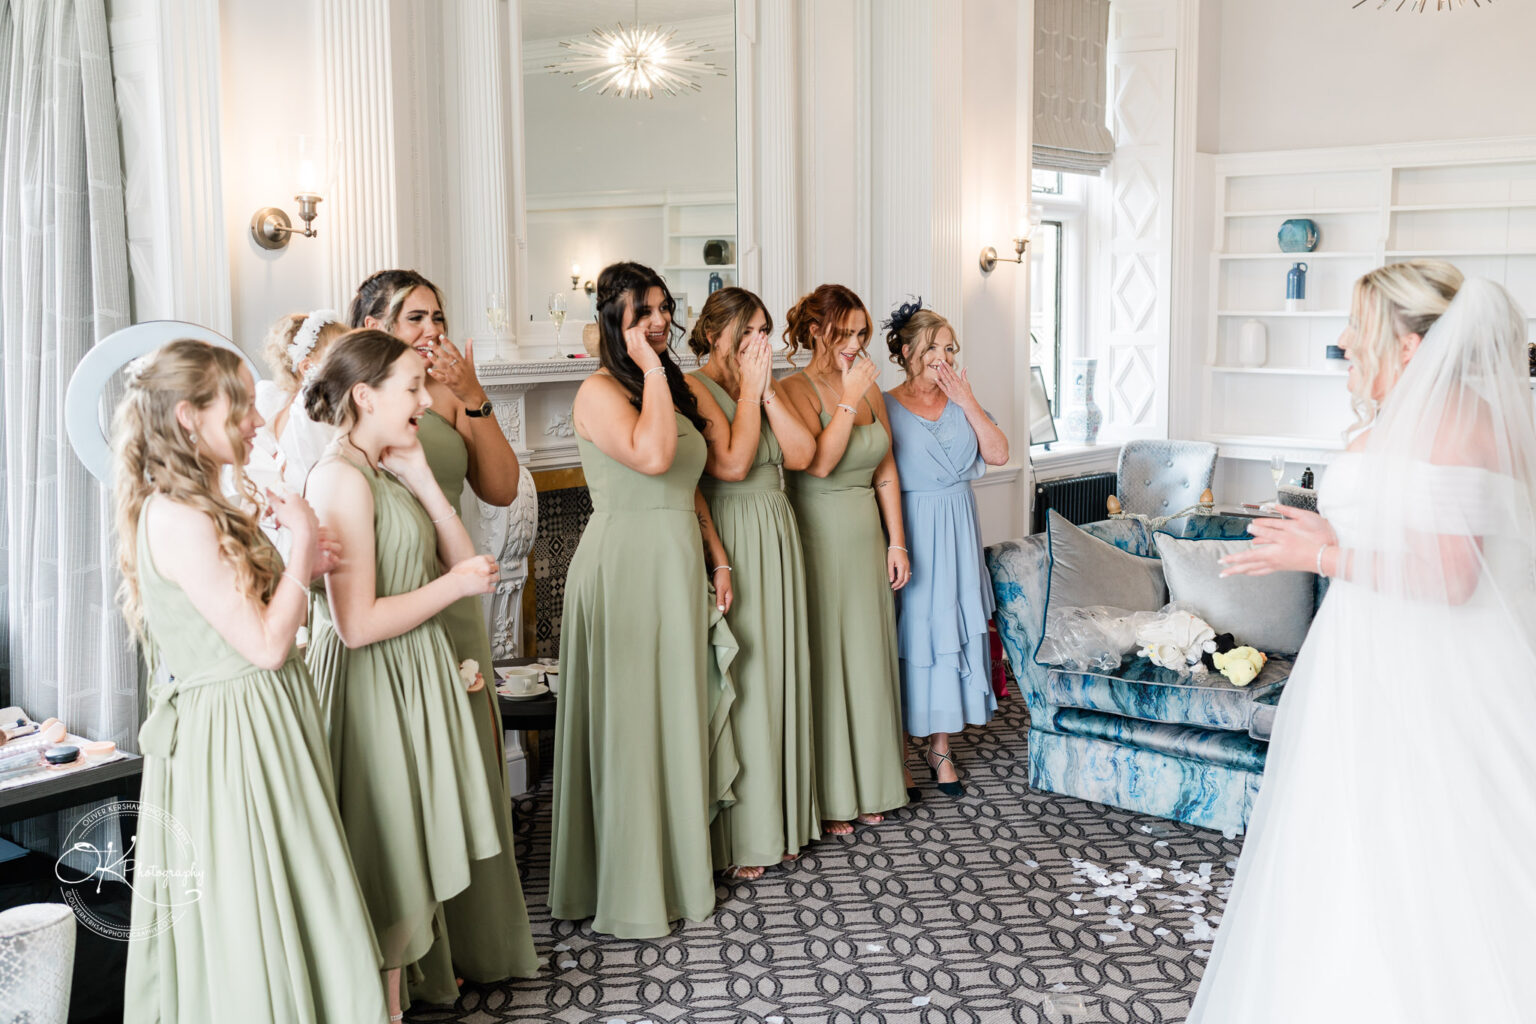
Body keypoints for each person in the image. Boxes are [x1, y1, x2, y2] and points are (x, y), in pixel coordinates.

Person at [1189, 262, 1536, 1022]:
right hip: (1364, 651)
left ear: (1411, 345)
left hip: (1427, 671)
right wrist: (1328, 537)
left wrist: (1318, 554)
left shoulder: (1459, 425)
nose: (1344, 341)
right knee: (1349, 845)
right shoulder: (1411, 416)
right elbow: (1405, 538)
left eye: (1360, 327)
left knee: (1416, 849)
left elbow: (1452, 580)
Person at [113, 340, 387, 1023]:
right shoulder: (179, 518)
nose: (257, 422)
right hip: (237, 735)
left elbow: (259, 620)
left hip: (259, 716)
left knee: (294, 889)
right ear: (188, 417)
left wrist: (302, 566)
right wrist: (297, 540)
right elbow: (267, 645)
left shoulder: (201, 503)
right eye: (239, 407)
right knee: (261, 897)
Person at [302, 330, 503, 1022]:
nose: (425, 398)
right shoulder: (339, 477)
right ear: (364, 395)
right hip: (371, 684)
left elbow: (465, 559)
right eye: (412, 387)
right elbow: (355, 623)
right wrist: (452, 589)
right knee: (387, 859)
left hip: (407, 674)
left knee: (407, 857)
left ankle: (391, 1007)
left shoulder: (381, 467)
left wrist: (421, 477)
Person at [348, 270, 536, 998]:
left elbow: (500, 487)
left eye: (438, 315)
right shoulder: (358, 402)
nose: (432, 329)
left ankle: (479, 937)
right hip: (393, 598)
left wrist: (478, 393)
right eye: (415, 316)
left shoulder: (448, 393)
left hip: (456, 597)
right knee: (412, 773)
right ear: (372, 321)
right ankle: (418, 953)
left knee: (470, 759)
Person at [549, 261, 738, 938]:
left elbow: (689, 483)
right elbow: (654, 457)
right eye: (642, 313)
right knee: (632, 722)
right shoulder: (600, 390)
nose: (659, 322)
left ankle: (678, 866)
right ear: (614, 324)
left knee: (673, 712)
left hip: (677, 560)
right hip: (625, 564)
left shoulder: (664, 383)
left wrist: (716, 555)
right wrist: (654, 368)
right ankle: (628, 884)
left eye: (663, 308)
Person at [686, 286, 821, 880]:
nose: (761, 342)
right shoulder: (693, 387)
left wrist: (765, 392)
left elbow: (799, 455)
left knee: (781, 673)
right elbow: (732, 465)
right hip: (735, 536)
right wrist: (748, 389)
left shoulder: (761, 385)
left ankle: (785, 819)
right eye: (749, 331)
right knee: (746, 680)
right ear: (717, 335)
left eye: (765, 329)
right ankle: (749, 832)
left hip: (778, 532)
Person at [779, 283, 912, 835]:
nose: (857, 344)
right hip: (820, 533)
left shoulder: (869, 387)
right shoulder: (793, 389)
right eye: (846, 334)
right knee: (830, 660)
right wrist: (850, 397)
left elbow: (885, 467)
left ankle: (875, 781)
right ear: (817, 332)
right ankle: (833, 795)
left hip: (866, 534)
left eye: (862, 333)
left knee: (867, 655)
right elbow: (819, 463)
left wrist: (897, 541)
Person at [881, 301, 1009, 795]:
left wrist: (969, 401)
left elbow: (998, 453)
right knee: (913, 637)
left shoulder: (962, 401)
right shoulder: (885, 404)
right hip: (911, 528)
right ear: (908, 351)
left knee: (950, 634)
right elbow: (879, 472)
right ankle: (896, 751)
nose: (943, 357)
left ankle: (939, 747)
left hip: (958, 531)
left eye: (950, 347)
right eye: (933, 347)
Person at [252, 309, 347, 494]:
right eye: (339, 358)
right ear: (307, 366)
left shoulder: (286, 403)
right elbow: (320, 476)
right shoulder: (308, 413)